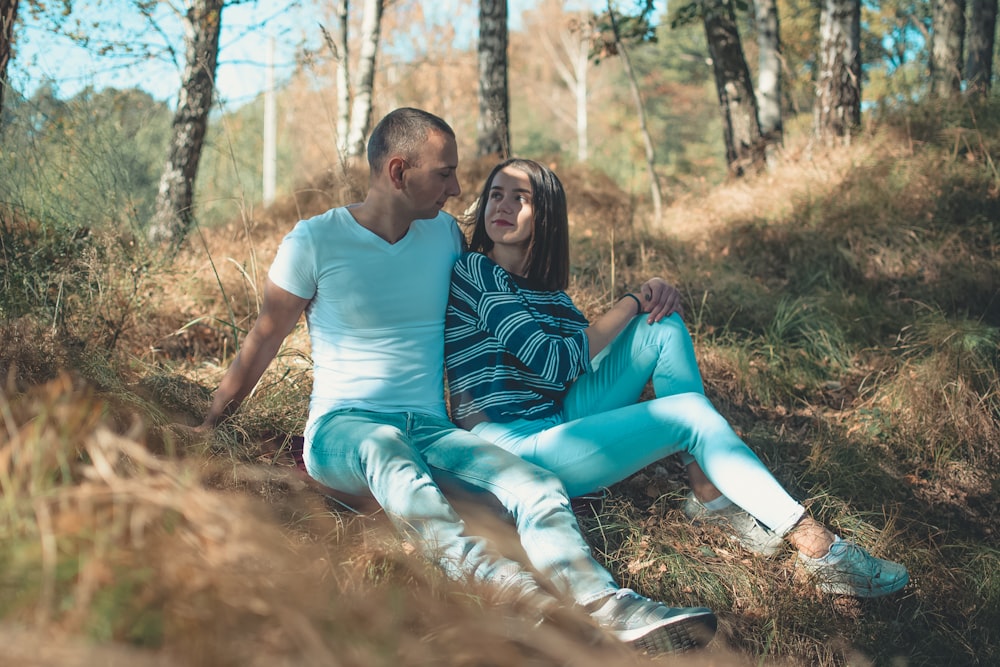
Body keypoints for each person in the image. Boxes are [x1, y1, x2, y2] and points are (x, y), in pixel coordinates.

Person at [196, 109, 717, 654]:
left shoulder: (444, 237)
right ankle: (518, 601)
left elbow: (502, 302)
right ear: (399, 173)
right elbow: (263, 339)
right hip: (343, 431)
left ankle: (611, 608)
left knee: (537, 486)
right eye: (444, 174)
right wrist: (210, 422)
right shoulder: (314, 241)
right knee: (386, 450)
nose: (458, 188)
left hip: (432, 431)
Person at [444, 157, 910, 598]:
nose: (501, 207)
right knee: (684, 408)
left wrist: (650, 300)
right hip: (511, 449)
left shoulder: (553, 298)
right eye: (495, 195)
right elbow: (553, 362)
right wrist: (631, 300)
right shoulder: (475, 271)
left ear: (544, 215)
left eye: (519, 198)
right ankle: (819, 548)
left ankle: (707, 494)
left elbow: (570, 371)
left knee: (660, 325)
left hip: (557, 422)